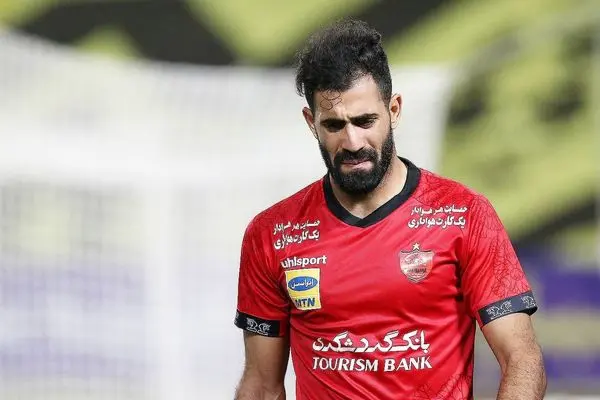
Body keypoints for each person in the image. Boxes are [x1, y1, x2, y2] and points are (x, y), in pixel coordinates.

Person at [233, 19, 546, 400]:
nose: (352, 141)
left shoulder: (465, 215)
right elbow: (262, 385)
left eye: (365, 121)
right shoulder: (273, 234)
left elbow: (521, 359)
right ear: (311, 122)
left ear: (394, 109)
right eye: (334, 125)